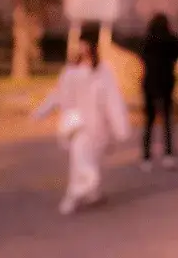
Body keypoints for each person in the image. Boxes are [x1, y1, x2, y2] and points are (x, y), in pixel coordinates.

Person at [32, 38, 131, 215]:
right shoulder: (70, 73)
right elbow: (58, 94)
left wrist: (120, 127)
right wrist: (41, 111)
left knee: (90, 159)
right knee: (82, 162)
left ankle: (92, 194)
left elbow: (113, 101)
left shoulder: (102, 72)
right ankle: (73, 196)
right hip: (79, 126)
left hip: (98, 128)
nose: (83, 52)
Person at [139, 13, 178, 171]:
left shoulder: (147, 40)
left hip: (150, 82)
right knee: (167, 120)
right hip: (166, 82)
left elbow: (142, 57)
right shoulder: (172, 39)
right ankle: (168, 154)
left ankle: (146, 157)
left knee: (149, 122)